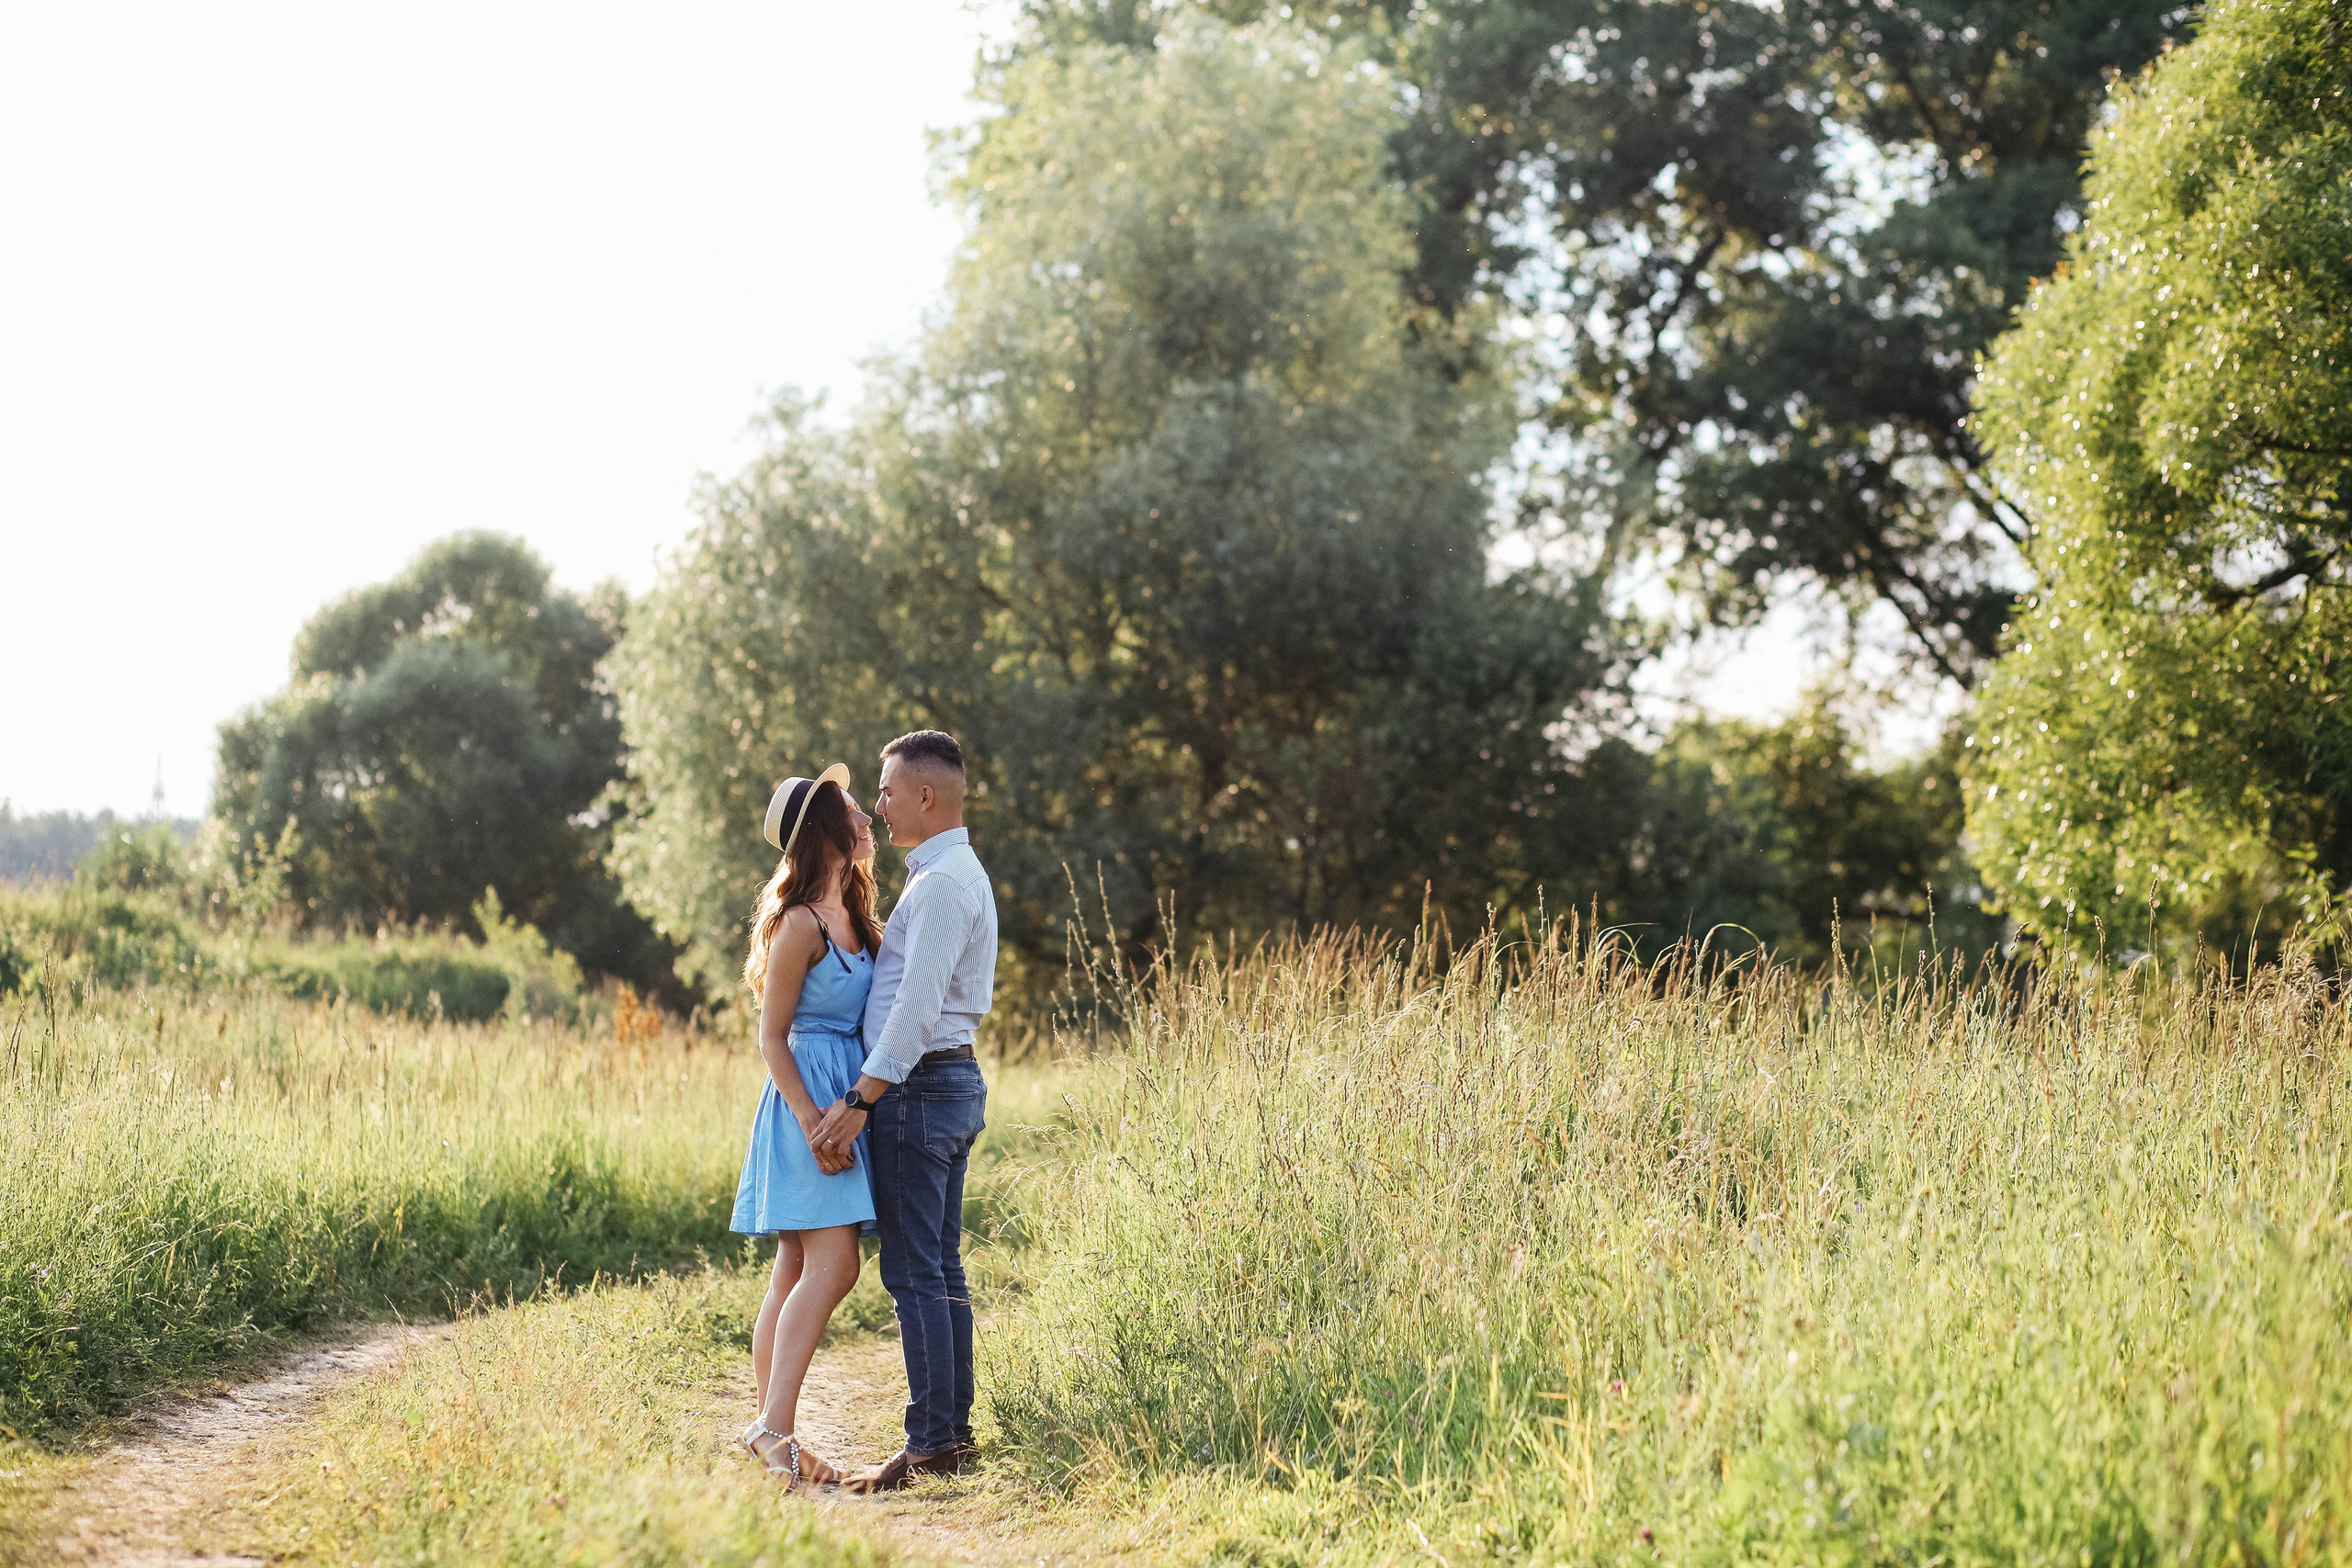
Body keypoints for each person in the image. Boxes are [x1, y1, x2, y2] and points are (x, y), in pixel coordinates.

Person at [811, 729, 997, 1494]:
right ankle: (948, 1435)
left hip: (920, 1089)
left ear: (926, 796)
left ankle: (930, 1446)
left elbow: (916, 1011)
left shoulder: (945, 881)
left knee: (918, 1272)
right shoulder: (946, 874)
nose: (878, 807)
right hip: (941, 1085)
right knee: (938, 1266)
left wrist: (861, 1098)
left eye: (886, 791)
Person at [730, 764, 882, 1488]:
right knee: (835, 1266)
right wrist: (814, 1120)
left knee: (794, 1268)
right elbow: (772, 1036)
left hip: (842, 1100)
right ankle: (773, 1431)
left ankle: (773, 1435)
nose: (866, 819)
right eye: (853, 811)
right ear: (823, 829)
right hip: (807, 1106)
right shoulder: (799, 924)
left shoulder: (853, 912)